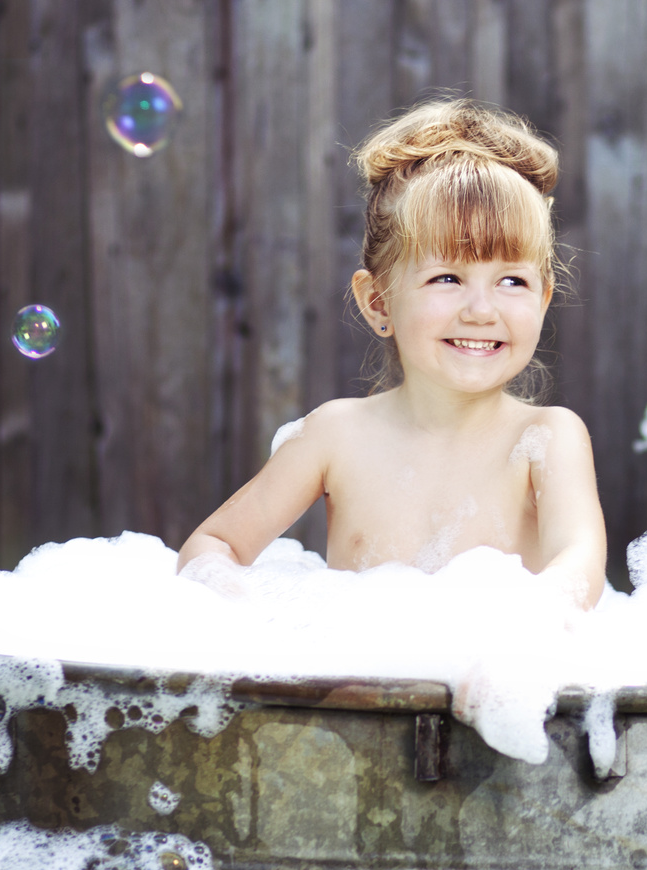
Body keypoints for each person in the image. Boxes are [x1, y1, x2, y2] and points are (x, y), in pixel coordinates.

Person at [177, 99, 607, 609]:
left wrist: (517, 642)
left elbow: (579, 564)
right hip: (361, 680)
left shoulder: (545, 439)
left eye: (512, 280)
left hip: (491, 678)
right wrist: (258, 615)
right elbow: (212, 544)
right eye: (446, 277)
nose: (481, 309)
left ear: (542, 298)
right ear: (378, 300)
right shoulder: (335, 435)